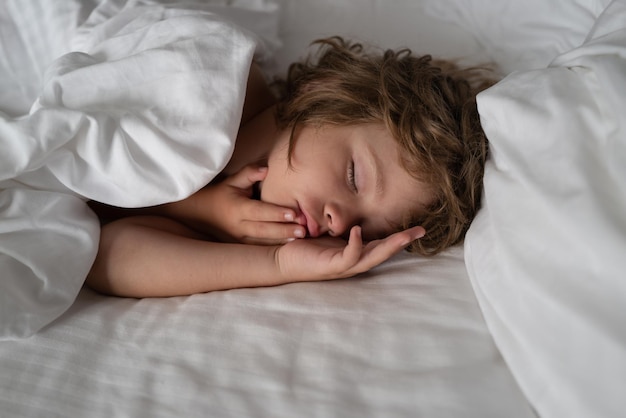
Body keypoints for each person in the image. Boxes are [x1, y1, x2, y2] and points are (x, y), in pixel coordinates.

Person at [86, 37, 495, 298]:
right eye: (354, 177)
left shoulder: (257, 232)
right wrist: (200, 208)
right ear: (326, 96)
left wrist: (276, 266)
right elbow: (89, 174)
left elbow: (103, 257)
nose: (340, 222)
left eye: (366, 229)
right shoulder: (223, 88)